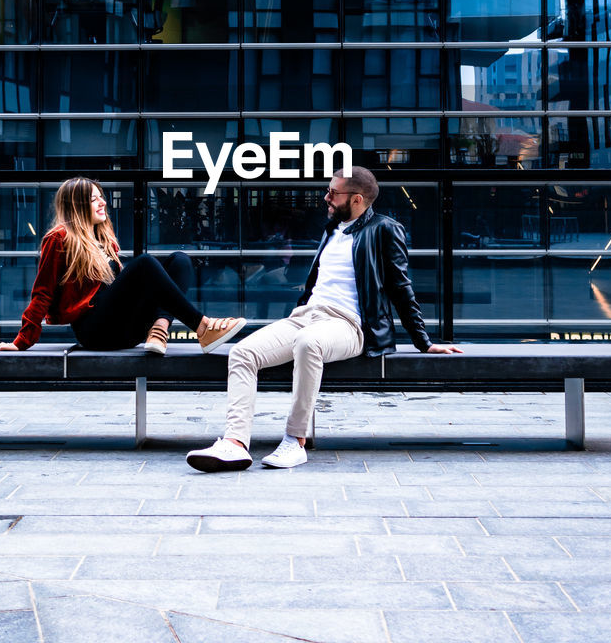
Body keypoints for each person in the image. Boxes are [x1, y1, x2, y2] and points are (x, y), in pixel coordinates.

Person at [186, 166, 462, 472]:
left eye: (333, 192)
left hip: (348, 324)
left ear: (357, 199)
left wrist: (423, 343)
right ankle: (236, 444)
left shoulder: (384, 229)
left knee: (308, 343)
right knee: (242, 352)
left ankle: (295, 441)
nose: (326, 197)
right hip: (306, 316)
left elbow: (401, 287)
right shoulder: (331, 230)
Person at [0, 177, 245, 355]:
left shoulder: (104, 240)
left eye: (101, 197)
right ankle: (202, 327)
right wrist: (21, 341)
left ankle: (159, 329)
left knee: (180, 260)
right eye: (93, 199)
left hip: (126, 329)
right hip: (95, 331)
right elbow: (42, 292)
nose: (102, 203)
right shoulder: (59, 238)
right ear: (77, 206)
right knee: (145, 263)